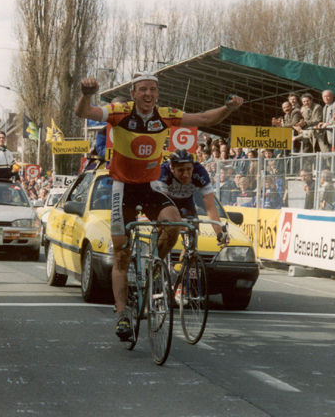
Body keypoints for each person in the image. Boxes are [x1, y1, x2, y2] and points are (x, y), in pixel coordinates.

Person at [75, 71, 243, 341]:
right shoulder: (120, 112)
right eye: (142, 89)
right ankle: (121, 315)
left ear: (158, 94)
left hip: (150, 185)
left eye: (152, 90)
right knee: (121, 252)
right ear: (133, 94)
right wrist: (86, 95)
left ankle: (156, 264)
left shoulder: (165, 115)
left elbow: (203, 119)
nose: (148, 94)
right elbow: (85, 112)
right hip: (122, 187)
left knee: (174, 223)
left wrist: (228, 108)